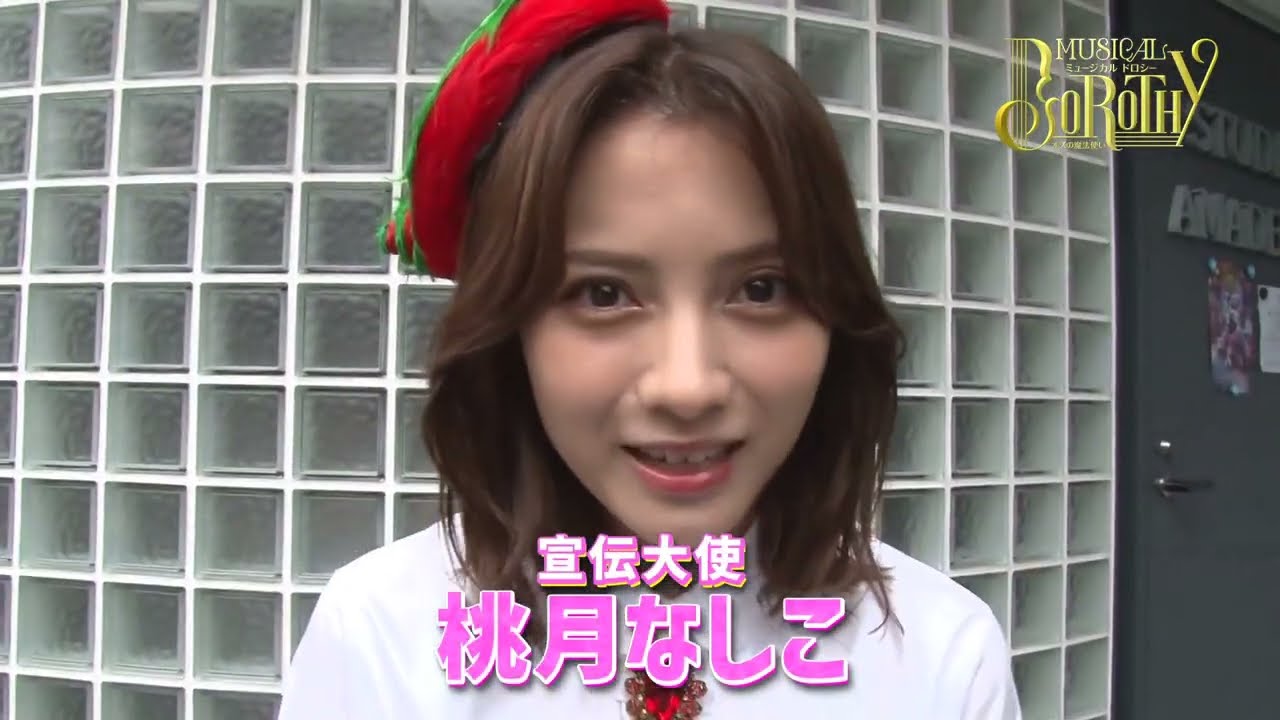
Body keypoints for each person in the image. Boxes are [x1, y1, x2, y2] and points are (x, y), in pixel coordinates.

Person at [278, 0, 1021, 717]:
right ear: (511, 331)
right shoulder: (382, 639)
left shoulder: (941, 656)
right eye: (603, 294)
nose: (687, 387)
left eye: (761, 289)